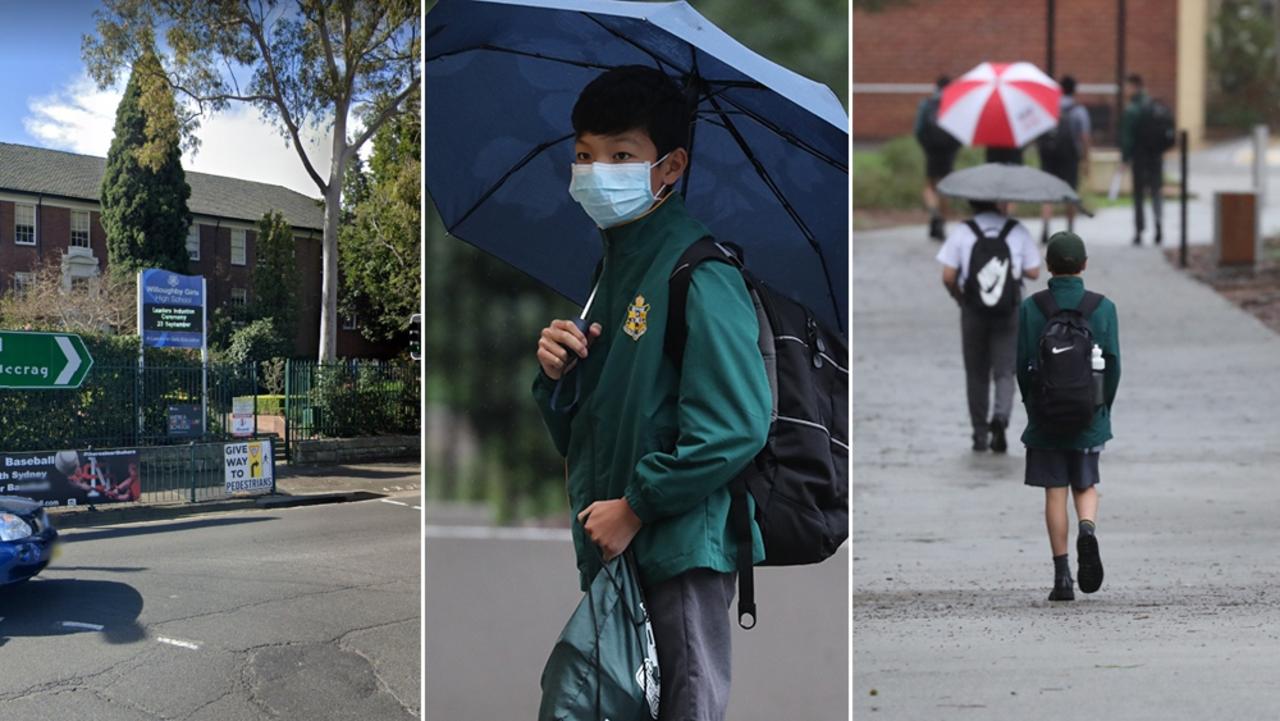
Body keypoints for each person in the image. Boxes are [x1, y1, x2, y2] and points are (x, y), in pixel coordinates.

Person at [532, 65, 771, 721]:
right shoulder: (612, 267)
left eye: (621, 156)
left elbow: (736, 425)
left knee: (685, 706)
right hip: (620, 546)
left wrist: (637, 504)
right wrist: (557, 375)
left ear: (670, 167)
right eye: (584, 154)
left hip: (678, 547)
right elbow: (593, 422)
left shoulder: (700, 270)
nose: (595, 170)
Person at [1016, 232, 1121, 602]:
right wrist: (1101, 408)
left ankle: (1062, 578)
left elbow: (1022, 367)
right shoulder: (1103, 307)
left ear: (1048, 267)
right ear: (1084, 265)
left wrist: (1034, 408)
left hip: (1046, 418)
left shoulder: (1032, 308)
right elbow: (1113, 366)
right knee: (1086, 485)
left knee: (1054, 494)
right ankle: (1087, 530)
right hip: (1087, 415)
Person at [937, 199, 1042, 452]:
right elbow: (1035, 271)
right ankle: (1001, 419)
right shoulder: (1015, 230)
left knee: (976, 373)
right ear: (999, 202)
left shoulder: (963, 231)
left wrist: (960, 298)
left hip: (972, 309)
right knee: (1005, 371)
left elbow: (948, 276)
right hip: (1009, 310)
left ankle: (979, 434)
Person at [1038, 75, 1092, 243]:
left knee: (1048, 193)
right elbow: (1084, 136)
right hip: (1070, 157)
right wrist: (1086, 159)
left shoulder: (1050, 107)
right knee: (1070, 192)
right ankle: (1070, 230)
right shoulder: (1079, 111)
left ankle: (1045, 228)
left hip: (1049, 156)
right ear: (1074, 90)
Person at [914, 75, 961, 241]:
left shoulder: (927, 105)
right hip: (948, 151)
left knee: (929, 185)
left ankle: (933, 210)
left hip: (931, 150)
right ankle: (941, 220)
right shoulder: (954, 105)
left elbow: (919, 130)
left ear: (936, 86)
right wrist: (955, 148)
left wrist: (926, 146)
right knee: (945, 187)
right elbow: (960, 131)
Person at [1121, 73, 1164, 245]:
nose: (1126, 90)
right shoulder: (1154, 106)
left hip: (1139, 158)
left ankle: (1139, 231)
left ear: (1134, 86)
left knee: (1139, 195)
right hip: (1156, 157)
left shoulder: (1131, 110)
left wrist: (1125, 158)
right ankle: (1159, 226)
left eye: (1127, 86)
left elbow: (1127, 137)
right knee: (1155, 192)